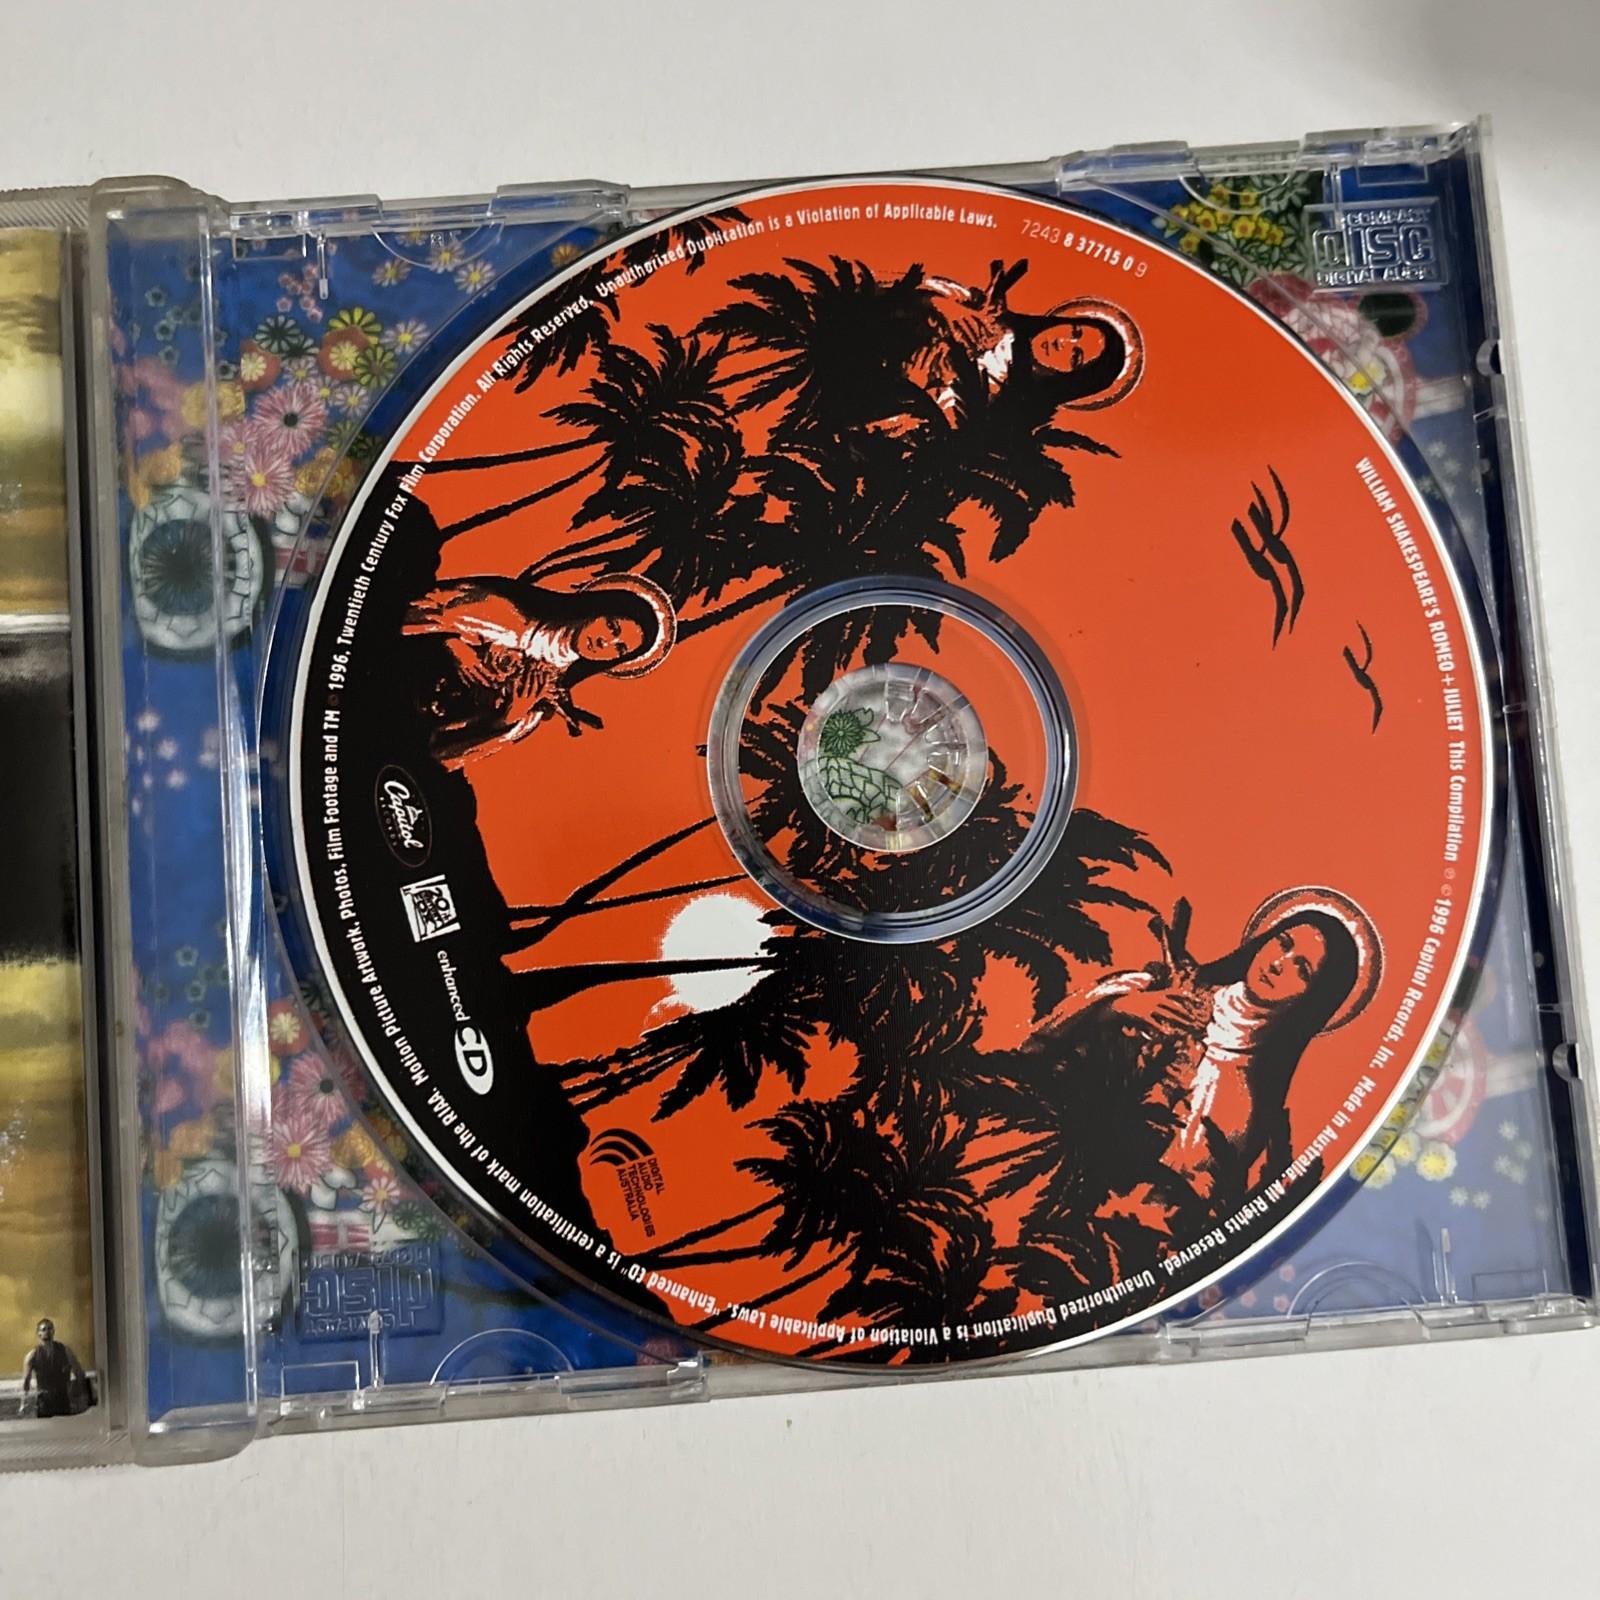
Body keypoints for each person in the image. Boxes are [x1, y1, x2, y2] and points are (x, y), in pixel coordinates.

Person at [1036, 887, 1380, 1201]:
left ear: (1311, 1000)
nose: (1278, 964)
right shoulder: (1162, 985)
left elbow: (1166, 1197)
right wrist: (1119, 1008)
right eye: (1283, 943)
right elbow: (1037, 1046)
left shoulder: (1239, 1101)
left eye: (1301, 969)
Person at [403, 571, 675, 768]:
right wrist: (453, 646)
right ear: (598, 609)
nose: (606, 642)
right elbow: (405, 613)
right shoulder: (502, 608)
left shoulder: (542, 697)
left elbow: (443, 757)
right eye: (612, 626)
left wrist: (507, 719)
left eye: (620, 649)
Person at [901, 259, 1145, 426]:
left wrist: (932, 377)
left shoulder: (997, 402)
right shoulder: (989, 312)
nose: (1062, 342)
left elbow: (933, 420)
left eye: (1075, 356)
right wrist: (946, 307)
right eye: (1075, 330)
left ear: (1072, 378)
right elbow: (910, 287)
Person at [19, 1318, 89, 1419]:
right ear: (38, 1333)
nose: (47, 1332)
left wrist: (82, 1395)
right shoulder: (32, 1355)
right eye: (44, 1329)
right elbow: (26, 1380)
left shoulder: (65, 1351)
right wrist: (23, 1402)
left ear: (53, 1331)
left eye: (49, 1328)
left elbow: (78, 1372)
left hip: (62, 1397)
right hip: (44, 1399)